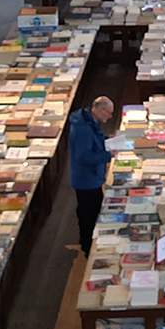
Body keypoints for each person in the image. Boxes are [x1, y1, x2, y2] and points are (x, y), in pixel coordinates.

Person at [66, 96, 115, 253]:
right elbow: (84, 157)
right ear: (100, 110)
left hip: (92, 177)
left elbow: (96, 141)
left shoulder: (89, 120)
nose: (110, 116)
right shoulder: (84, 129)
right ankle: (88, 247)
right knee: (89, 214)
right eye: (109, 112)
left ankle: (88, 242)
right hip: (87, 179)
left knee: (92, 211)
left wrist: (108, 141)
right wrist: (108, 156)